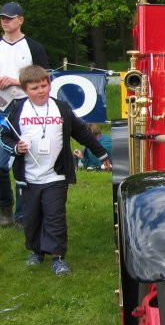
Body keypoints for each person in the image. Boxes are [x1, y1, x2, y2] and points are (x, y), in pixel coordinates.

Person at [0, 65, 110, 277]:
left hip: (56, 174)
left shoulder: (61, 108)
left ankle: (58, 257)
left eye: (44, 85)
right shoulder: (17, 109)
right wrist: (16, 147)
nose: (41, 90)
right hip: (29, 177)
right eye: (35, 88)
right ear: (24, 89)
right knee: (32, 218)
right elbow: (4, 136)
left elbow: (82, 133)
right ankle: (36, 251)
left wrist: (103, 155)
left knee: (55, 216)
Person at [0, 2, 49, 228]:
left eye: (9, 17)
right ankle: (5, 209)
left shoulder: (33, 47)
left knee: (24, 160)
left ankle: (22, 215)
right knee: (0, 163)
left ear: (21, 19)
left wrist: (17, 81)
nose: (5, 21)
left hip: (23, 107)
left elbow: (44, 78)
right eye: (3, 17)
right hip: (1, 108)